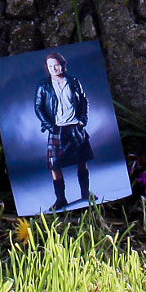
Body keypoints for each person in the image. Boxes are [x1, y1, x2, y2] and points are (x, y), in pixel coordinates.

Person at [33, 50, 93, 210]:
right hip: (57, 129)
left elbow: (84, 100)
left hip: (75, 126)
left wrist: (82, 120)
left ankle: (86, 193)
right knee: (55, 165)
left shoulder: (73, 81)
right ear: (47, 68)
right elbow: (38, 107)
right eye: (50, 66)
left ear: (62, 65)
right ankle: (61, 199)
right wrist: (50, 126)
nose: (54, 69)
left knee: (82, 160)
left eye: (56, 65)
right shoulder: (43, 85)